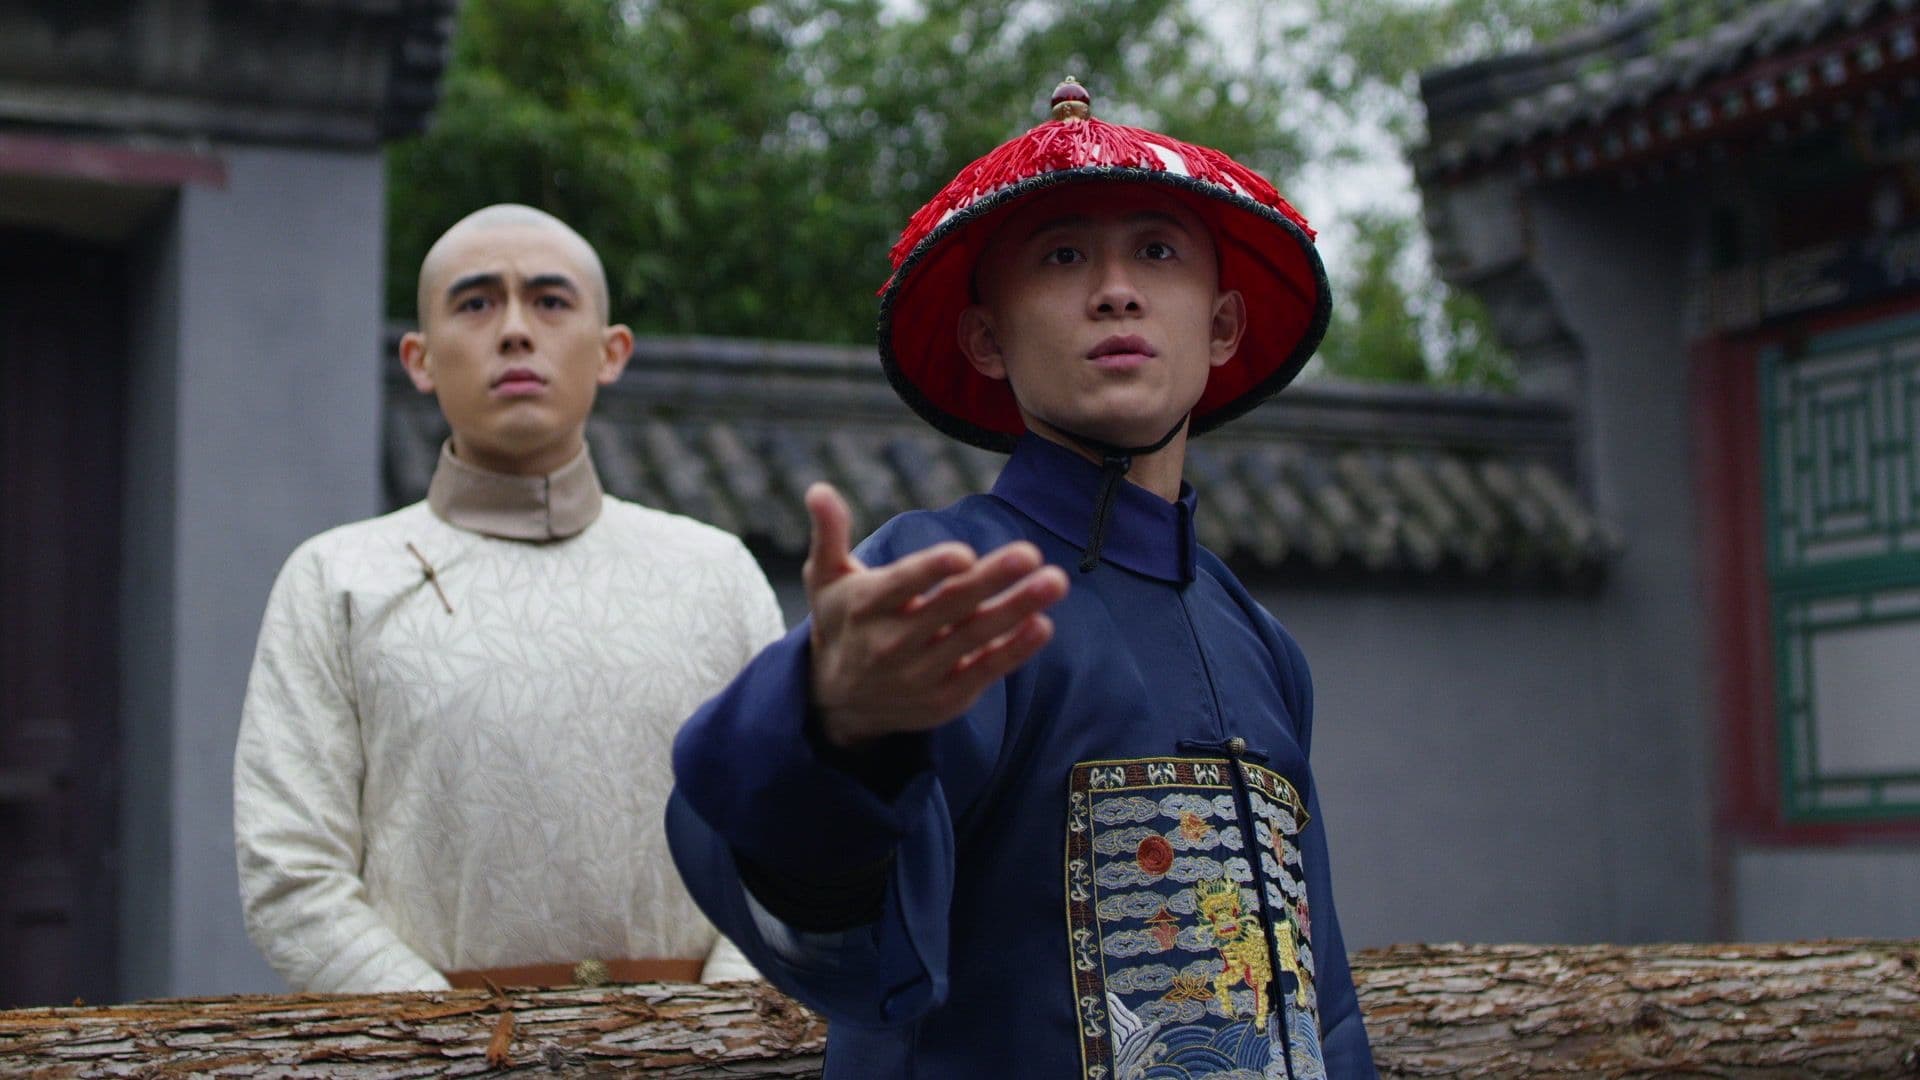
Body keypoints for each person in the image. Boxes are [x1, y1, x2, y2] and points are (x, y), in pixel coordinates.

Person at [666, 79, 1376, 1077]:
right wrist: (836, 730)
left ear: (1221, 327)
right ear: (987, 339)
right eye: (1063, 256)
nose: (1116, 290)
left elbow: (1321, 1001)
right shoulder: (947, 586)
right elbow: (835, 916)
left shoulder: (1260, 641)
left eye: (1157, 251)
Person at [234, 204, 781, 992]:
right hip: (423, 1045)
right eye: (476, 303)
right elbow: (291, 871)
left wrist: (716, 1027)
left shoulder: (715, 574)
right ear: (419, 358)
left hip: (704, 1042)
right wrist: (451, 1040)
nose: (516, 331)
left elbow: (782, 835)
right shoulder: (335, 579)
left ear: (611, 350)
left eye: (551, 301)